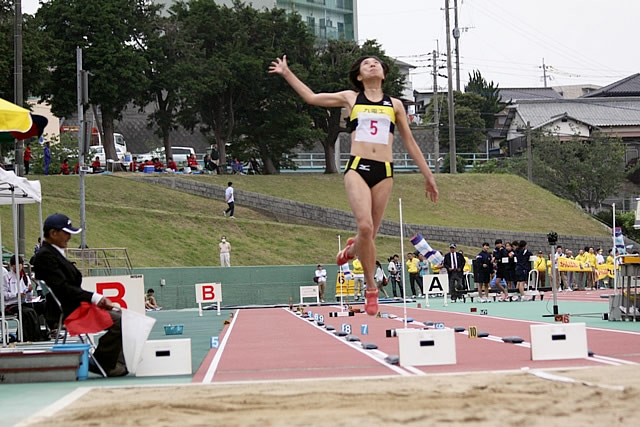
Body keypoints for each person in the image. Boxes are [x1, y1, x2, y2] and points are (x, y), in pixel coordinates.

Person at [270, 54, 438, 316]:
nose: (372, 64)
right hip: (357, 167)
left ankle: (351, 250)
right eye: (366, 63)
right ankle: (371, 286)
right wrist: (287, 72)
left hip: (384, 171)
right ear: (359, 75)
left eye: (376, 63)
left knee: (368, 236)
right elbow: (312, 98)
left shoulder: (395, 105)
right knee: (364, 226)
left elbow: (410, 143)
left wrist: (429, 175)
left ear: (383, 73)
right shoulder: (351, 97)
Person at [33, 213, 127, 376]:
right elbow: (64, 288)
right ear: (53, 233)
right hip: (70, 309)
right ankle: (102, 363)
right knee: (119, 321)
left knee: (120, 316)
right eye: (66, 232)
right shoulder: (45, 256)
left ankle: (112, 362)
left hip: (75, 304)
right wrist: (95, 297)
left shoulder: (54, 253)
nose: (69, 237)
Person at [2, 256, 44, 342]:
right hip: (11, 304)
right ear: (11, 265)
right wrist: (16, 295)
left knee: (40, 306)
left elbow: (28, 297)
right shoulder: (6, 277)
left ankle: (37, 333)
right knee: (28, 312)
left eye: (20, 266)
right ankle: (27, 336)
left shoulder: (25, 278)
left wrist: (29, 291)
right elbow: (4, 295)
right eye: (15, 266)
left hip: (24, 303)